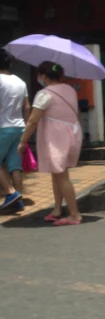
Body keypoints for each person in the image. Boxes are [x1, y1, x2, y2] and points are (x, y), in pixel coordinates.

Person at [17, 62, 83, 225]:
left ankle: (74, 214)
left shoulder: (44, 94)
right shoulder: (70, 90)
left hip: (56, 137)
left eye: (40, 75)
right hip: (73, 133)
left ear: (44, 76)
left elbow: (32, 121)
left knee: (61, 175)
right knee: (58, 173)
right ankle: (57, 210)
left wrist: (22, 141)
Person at [0, 49, 30, 211]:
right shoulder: (20, 81)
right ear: (10, 63)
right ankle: (19, 201)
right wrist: (27, 131)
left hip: (2, 127)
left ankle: (11, 193)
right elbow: (27, 107)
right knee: (14, 166)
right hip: (19, 127)